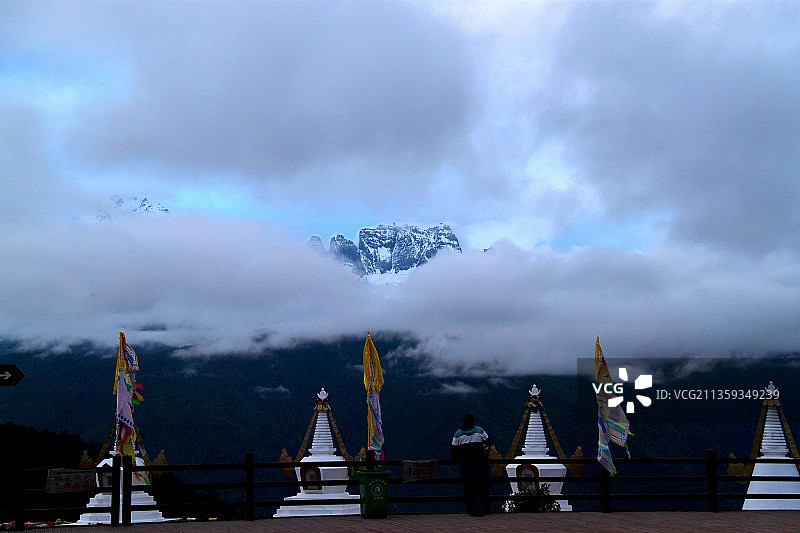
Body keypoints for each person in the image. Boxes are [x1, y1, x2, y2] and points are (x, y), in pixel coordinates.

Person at [451, 413, 492, 516]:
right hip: (478, 463)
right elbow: (489, 443)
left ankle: (470, 509)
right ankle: (480, 508)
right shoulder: (480, 431)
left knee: (468, 487)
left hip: (465, 464)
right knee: (479, 486)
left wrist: (457, 459)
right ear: (473, 421)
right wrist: (484, 454)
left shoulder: (458, 434)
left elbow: (453, 449)